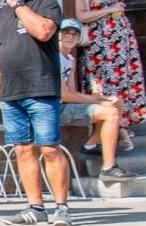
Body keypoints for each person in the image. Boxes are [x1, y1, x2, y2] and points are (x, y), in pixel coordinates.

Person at [0, 0, 72, 226]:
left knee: (49, 148)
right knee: (23, 150)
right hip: (11, 93)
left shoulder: (44, 3)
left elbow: (45, 32)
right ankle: (35, 207)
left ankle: (62, 207)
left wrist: (18, 4)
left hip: (41, 88)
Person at [74, 0, 146, 135]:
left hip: (121, 41)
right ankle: (107, 125)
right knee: (103, 82)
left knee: (124, 80)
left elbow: (119, 3)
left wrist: (115, 7)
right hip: (99, 45)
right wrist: (108, 10)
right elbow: (81, 16)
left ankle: (124, 122)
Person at [58, 18, 136, 182]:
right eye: (66, 33)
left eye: (74, 34)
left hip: (66, 104)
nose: (70, 37)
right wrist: (100, 100)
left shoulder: (70, 59)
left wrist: (103, 99)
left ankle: (91, 144)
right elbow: (64, 95)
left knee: (115, 103)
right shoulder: (54, 58)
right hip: (53, 109)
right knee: (110, 114)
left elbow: (72, 91)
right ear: (57, 35)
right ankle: (108, 167)